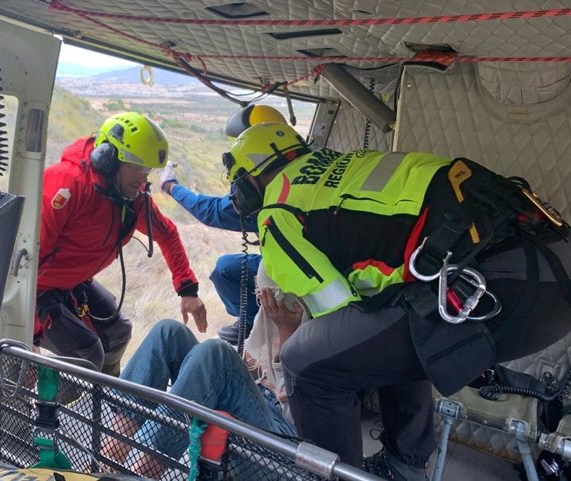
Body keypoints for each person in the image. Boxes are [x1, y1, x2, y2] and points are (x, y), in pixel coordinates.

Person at [221, 122, 571, 480]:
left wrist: (287, 336)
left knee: (305, 363)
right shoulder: (342, 166)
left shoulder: (278, 211)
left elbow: (338, 309)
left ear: (249, 185)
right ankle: (404, 466)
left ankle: (338, 476)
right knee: (387, 328)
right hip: (550, 260)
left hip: (496, 282)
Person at [35, 112, 207, 376]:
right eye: (137, 167)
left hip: (70, 282)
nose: (143, 179)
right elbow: (23, 260)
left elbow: (167, 234)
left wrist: (187, 289)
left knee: (118, 333)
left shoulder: (130, 198)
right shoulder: (69, 185)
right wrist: (31, 332)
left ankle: (103, 397)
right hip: (35, 289)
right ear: (108, 158)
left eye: (147, 170)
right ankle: (48, 411)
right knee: (87, 355)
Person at [103, 264, 306, 479]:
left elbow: (291, 397)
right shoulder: (275, 317)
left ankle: (144, 473)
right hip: (260, 403)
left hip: (286, 443)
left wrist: (287, 331)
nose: (264, 299)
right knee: (168, 332)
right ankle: (109, 457)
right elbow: (254, 362)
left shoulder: (324, 332)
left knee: (216, 353)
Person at [158, 104, 287, 344]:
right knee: (227, 267)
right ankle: (251, 321)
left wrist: (170, 186)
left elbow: (209, 211)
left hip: (290, 274)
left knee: (225, 270)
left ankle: (254, 326)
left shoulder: (263, 192)